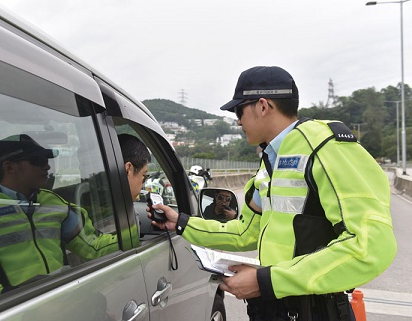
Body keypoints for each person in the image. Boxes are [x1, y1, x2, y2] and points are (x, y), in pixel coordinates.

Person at [148, 66, 397, 320]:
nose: (238, 120)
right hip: (270, 309)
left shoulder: (325, 146)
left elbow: (370, 246)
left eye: (239, 110)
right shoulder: (269, 164)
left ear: (263, 106)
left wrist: (266, 281)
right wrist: (180, 223)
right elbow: (247, 232)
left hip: (315, 311)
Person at [0, 134, 119, 311]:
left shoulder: (55, 204)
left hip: (66, 303)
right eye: (37, 161)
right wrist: (7, 299)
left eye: (47, 161)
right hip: (15, 312)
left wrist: (133, 233)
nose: (47, 167)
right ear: (9, 167)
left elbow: (94, 247)